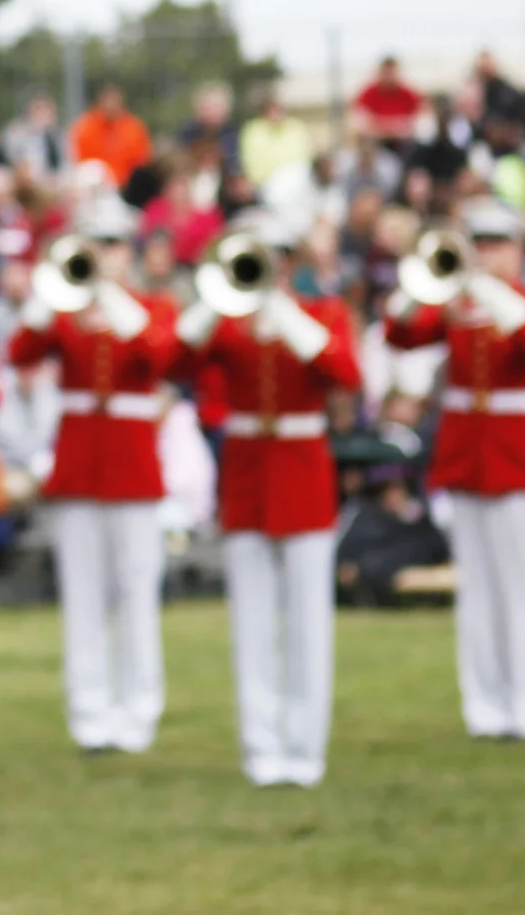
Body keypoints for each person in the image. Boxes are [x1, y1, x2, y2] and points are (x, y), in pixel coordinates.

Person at [167, 213, 361, 787]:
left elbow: (345, 373)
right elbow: (170, 364)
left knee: (307, 622)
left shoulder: (321, 315)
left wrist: (287, 317)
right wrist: (212, 305)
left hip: (302, 474)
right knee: (250, 622)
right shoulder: (228, 323)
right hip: (250, 478)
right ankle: (261, 746)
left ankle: (305, 749)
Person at [382, 201, 525, 740]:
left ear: (518, 251)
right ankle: (484, 706)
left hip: (515, 455)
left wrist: (489, 292)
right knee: (478, 590)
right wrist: (425, 285)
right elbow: (400, 332)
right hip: (466, 454)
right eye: (479, 245)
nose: (486, 256)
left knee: (517, 588)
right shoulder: (455, 300)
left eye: (497, 245)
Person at [9, 201, 177, 754]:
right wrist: (52, 296)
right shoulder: (66, 309)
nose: (104, 257)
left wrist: (110, 297)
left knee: (135, 590)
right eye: (96, 246)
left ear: (129, 252)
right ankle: (89, 711)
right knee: (82, 595)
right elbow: (21, 352)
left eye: (113, 246)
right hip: (80, 465)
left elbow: (159, 357)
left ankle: (139, 709)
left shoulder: (150, 306)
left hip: (130, 465)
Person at [69, 85, 154, 192]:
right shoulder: (86, 128)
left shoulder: (134, 128)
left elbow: (142, 162)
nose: (110, 105)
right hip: (97, 187)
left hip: (127, 187)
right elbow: (81, 162)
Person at [351, 57, 425, 145]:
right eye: (386, 72)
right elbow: (361, 120)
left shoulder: (409, 93)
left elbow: (419, 119)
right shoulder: (368, 93)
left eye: (391, 72)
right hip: (377, 141)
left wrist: (384, 125)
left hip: (403, 141)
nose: (389, 77)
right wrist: (393, 126)